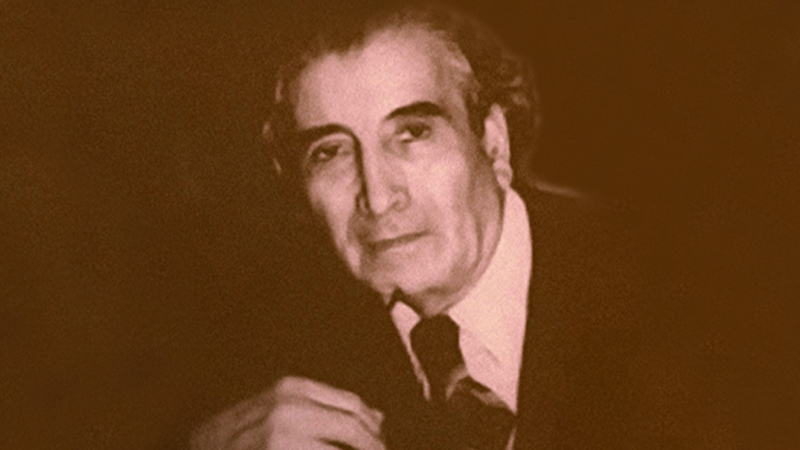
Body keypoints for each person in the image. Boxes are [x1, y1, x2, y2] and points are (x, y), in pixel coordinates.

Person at [191, 4, 672, 449]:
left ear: (494, 142)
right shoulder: (264, 345)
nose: (378, 198)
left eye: (413, 133)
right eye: (330, 152)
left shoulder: (669, 290)